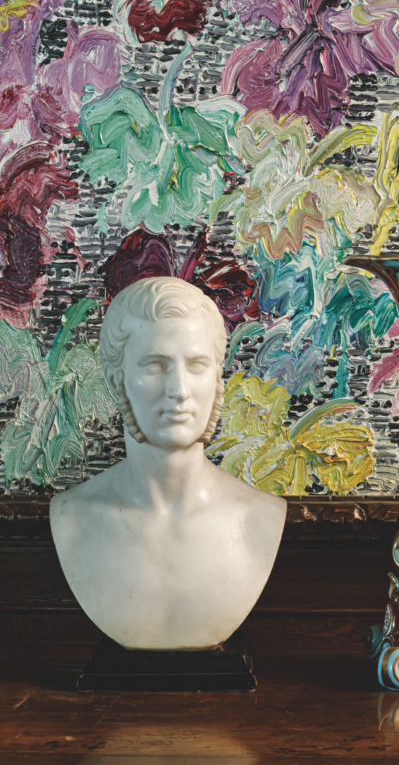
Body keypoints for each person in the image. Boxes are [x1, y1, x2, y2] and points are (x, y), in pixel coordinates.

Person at [50, 277, 286, 651]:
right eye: (155, 365)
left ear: (216, 377)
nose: (179, 389)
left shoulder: (259, 519)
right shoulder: (73, 519)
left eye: (196, 365)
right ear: (117, 379)